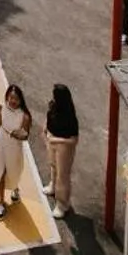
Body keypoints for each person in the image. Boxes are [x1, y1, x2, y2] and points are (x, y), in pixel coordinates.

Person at [0, 84, 32, 219]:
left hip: (14, 147)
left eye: (16, 99)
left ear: (20, 100)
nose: (13, 101)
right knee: (0, 171)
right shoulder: (1, 107)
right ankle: (1, 202)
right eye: (11, 97)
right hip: (0, 142)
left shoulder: (25, 116)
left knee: (14, 172)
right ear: (7, 96)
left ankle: (15, 189)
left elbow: (25, 135)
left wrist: (17, 134)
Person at [44, 83, 79, 221]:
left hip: (63, 145)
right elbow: (48, 116)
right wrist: (46, 129)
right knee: (53, 166)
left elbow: (74, 140)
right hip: (51, 138)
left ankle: (62, 203)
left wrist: (57, 141)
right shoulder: (53, 106)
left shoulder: (70, 116)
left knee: (62, 175)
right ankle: (52, 186)